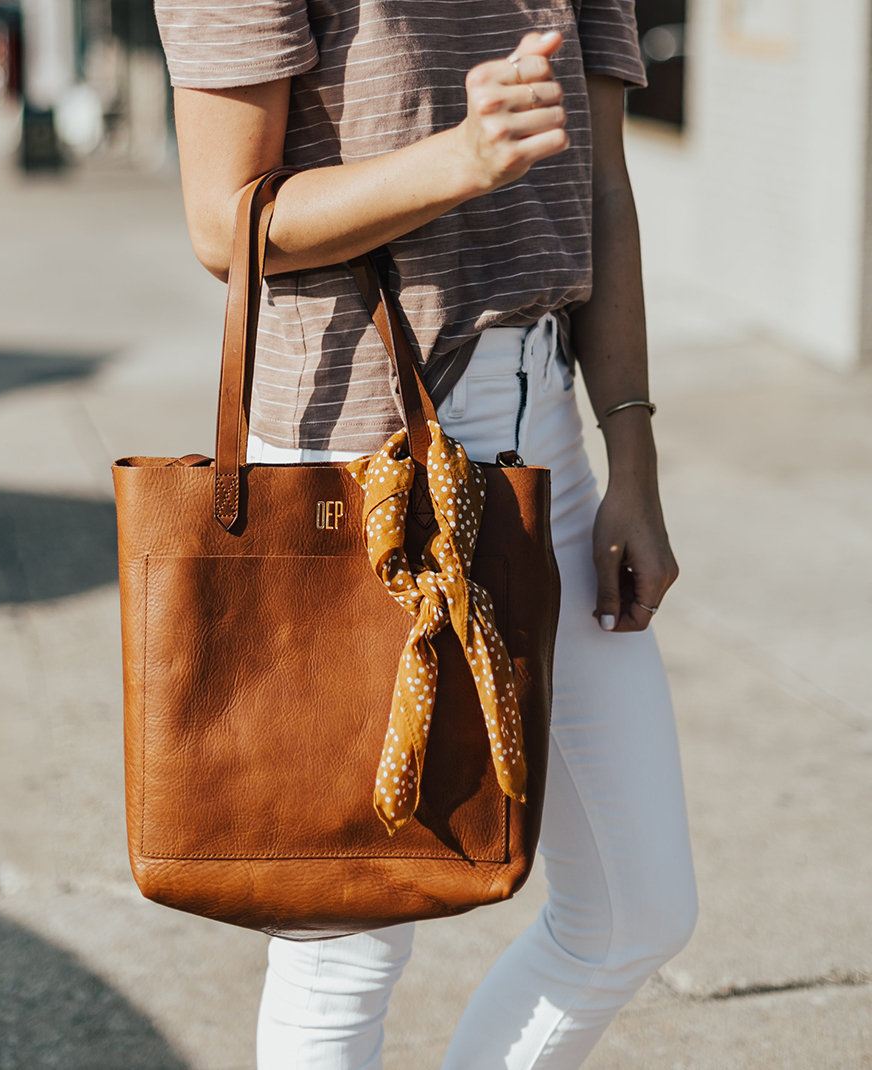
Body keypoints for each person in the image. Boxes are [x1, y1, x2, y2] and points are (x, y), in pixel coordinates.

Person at [156, 0, 698, 1065]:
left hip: (552, 440)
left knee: (639, 908)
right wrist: (456, 160)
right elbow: (223, 223)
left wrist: (629, 453)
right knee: (345, 952)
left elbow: (602, 190)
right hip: (358, 457)